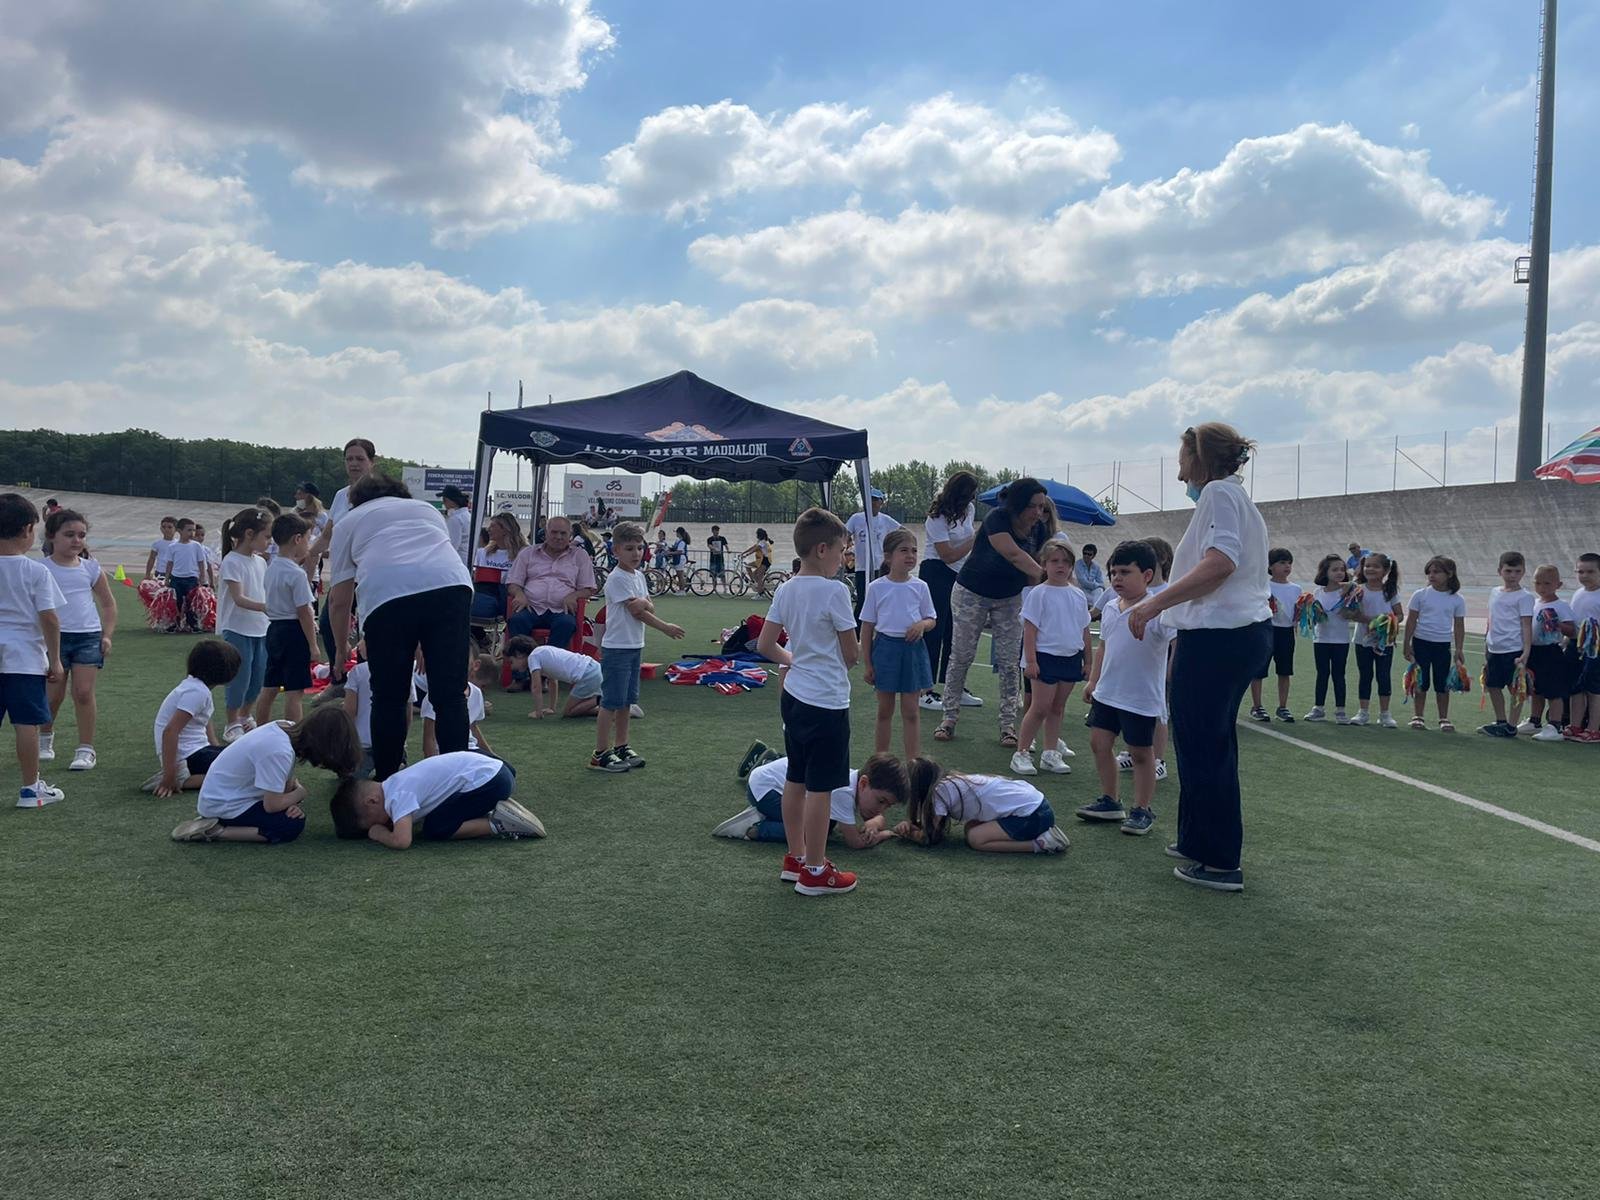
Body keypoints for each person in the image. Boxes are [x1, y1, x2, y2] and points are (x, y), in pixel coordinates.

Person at [1123, 423, 1270, 893]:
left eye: (1183, 458)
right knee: (1200, 741)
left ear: (1201, 457)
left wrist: (1154, 604)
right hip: (1232, 635)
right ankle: (1197, 840)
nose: (1180, 469)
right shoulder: (1233, 498)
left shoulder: (1219, 495)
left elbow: (1220, 563)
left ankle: (1221, 861)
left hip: (1220, 638)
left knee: (1205, 745)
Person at [326, 473, 473, 781]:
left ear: (356, 501)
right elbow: (426, 570)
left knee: (388, 697)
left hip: (387, 596)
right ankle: (458, 782)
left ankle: (388, 781)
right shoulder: (427, 510)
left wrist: (339, 650)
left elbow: (339, 600)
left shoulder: (349, 522)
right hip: (452, 587)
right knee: (450, 695)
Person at [755, 508, 859, 895]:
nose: (843, 559)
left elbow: (766, 645)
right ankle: (815, 870)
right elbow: (851, 654)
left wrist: (794, 660)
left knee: (795, 778)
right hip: (826, 701)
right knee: (821, 788)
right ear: (822, 549)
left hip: (794, 696)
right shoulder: (835, 592)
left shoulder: (785, 589)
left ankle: (796, 858)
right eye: (841, 551)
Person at [936, 477, 1050, 747]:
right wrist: (1050, 579)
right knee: (962, 655)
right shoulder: (997, 518)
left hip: (1009, 597)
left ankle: (1008, 726)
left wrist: (1048, 593)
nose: (1038, 513)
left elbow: (1038, 567)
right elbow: (1013, 554)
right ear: (1019, 504)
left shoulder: (1040, 530)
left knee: (1010, 662)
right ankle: (949, 718)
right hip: (971, 592)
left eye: (1042, 507)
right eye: (1033, 506)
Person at [1076, 540, 1176, 836]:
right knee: (1099, 743)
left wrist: (1172, 675)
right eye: (1113, 573)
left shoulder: (1158, 610)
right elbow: (1104, 646)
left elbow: (1176, 642)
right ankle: (1111, 800)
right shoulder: (1109, 607)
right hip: (1108, 693)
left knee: (1142, 754)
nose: (1117, 578)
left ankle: (1142, 809)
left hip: (1140, 696)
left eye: (1125, 572)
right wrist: (1093, 681)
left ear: (1147, 575)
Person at [169, 706, 361, 844]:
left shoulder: (286, 729)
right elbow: (272, 805)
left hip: (225, 795)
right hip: (224, 803)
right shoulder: (280, 751)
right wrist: (299, 794)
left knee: (289, 815)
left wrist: (290, 802)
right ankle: (217, 831)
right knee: (290, 826)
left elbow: (285, 783)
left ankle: (217, 824)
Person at [589, 522, 684, 773]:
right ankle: (600, 753)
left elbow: (647, 604)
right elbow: (637, 611)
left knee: (627, 701)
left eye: (639, 548)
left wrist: (644, 603)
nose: (636, 553)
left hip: (633, 645)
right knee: (610, 701)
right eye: (629, 548)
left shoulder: (639, 576)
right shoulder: (617, 578)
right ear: (616, 551)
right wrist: (664, 627)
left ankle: (621, 745)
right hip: (617, 647)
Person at [0, 494, 68, 807]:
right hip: (24, 659)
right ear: (28, 529)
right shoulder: (36, 571)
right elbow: (50, 618)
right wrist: (55, 660)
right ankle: (30, 789)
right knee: (26, 723)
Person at [39, 509, 117, 772]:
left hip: (88, 637)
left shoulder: (91, 568)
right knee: (53, 695)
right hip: (53, 639)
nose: (76, 540)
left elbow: (108, 604)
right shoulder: (41, 568)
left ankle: (86, 749)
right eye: (69, 534)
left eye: (81, 535)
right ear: (52, 536)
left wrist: (107, 635)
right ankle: (45, 738)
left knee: (83, 693)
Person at [330, 753, 544, 847]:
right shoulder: (396, 782)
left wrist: (379, 834)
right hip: (496, 773)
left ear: (372, 801)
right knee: (440, 815)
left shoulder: (396, 796)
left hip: (490, 782)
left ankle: (499, 823)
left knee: (435, 828)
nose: (386, 823)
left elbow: (402, 841)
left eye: (375, 822)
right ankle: (496, 810)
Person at [711, 751, 906, 853]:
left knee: (825, 824)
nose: (881, 810)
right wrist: (885, 834)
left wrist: (873, 823)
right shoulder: (844, 792)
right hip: (765, 791)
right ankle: (755, 828)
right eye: (881, 801)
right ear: (863, 784)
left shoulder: (855, 784)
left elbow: (877, 818)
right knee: (812, 832)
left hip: (772, 782)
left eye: (887, 805)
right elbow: (854, 842)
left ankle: (770, 761)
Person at [1012, 539, 1090, 777]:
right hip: (1044, 657)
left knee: (1058, 708)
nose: (1060, 566)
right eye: (1055, 561)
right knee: (1039, 708)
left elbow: (1085, 629)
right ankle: (1021, 753)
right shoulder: (1039, 593)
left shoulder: (1078, 595)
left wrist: (1088, 661)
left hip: (1070, 657)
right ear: (1044, 564)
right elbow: (1030, 629)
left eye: (1066, 562)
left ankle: (1050, 753)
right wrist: (1031, 660)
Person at [860, 529, 936, 761]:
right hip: (885, 651)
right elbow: (867, 627)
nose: (910, 555)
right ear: (888, 556)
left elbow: (931, 619)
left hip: (912, 651)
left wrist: (921, 625)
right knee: (885, 710)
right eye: (904, 550)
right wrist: (868, 664)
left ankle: (913, 763)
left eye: (914, 550)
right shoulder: (876, 587)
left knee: (911, 711)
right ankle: (881, 761)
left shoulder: (921, 586)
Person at [895, 758, 1070, 854]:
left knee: (976, 838)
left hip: (1033, 815)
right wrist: (911, 824)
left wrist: (908, 833)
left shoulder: (939, 793)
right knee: (971, 827)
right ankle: (1040, 835)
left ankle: (1041, 843)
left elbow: (930, 837)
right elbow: (932, 824)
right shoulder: (949, 782)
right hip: (1037, 807)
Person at [310, 438, 377, 672]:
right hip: (344, 573)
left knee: (370, 629)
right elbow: (327, 535)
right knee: (328, 623)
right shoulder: (341, 496)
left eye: (360, 459)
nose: (354, 464)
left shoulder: (381, 495)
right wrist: (308, 555)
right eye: (349, 459)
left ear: (372, 462)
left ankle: (365, 679)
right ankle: (339, 677)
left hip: (371, 573)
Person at [144, 638, 242, 796]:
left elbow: (205, 721)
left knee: (239, 756)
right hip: (188, 757)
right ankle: (181, 779)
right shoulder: (197, 692)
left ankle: (185, 775)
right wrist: (169, 775)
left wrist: (216, 748)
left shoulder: (197, 688)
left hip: (195, 752)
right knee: (242, 769)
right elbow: (170, 731)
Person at [918, 471, 978, 711]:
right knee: (934, 630)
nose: (972, 498)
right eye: (970, 493)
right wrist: (975, 539)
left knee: (956, 632)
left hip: (959, 575)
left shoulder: (969, 510)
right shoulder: (936, 517)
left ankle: (954, 687)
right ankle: (924, 690)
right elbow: (947, 555)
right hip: (936, 572)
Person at [256, 514, 321, 727]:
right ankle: (294, 736)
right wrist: (313, 645)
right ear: (297, 539)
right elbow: (304, 612)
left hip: (274, 629)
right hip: (293, 631)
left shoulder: (272, 568)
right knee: (294, 691)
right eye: (308, 539)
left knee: (270, 686)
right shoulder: (296, 574)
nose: (309, 544)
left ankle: (260, 731)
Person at [217, 507, 273, 741]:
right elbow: (239, 598)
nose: (270, 541)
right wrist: (266, 607)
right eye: (267, 536)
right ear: (249, 534)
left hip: (261, 628)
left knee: (258, 676)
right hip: (237, 628)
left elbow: (264, 591)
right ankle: (232, 723)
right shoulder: (232, 561)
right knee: (240, 677)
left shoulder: (260, 562)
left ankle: (245, 716)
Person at [504, 515, 595, 651]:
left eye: (563, 533)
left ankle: (550, 662)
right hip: (531, 606)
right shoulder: (528, 553)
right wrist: (519, 594)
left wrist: (574, 596)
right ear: (545, 533)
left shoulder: (580, 556)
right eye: (554, 532)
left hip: (561, 609)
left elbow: (588, 588)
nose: (558, 537)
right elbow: (513, 582)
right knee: (517, 621)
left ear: (570, 535)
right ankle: (522, 663)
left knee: (566, 624)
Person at [1403, 556, 1467, 732]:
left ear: (1450, 574)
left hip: (1442, 645)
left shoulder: (1457, 599)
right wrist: (1407, 643)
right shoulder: (1420, 595)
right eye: (1429, 572)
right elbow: (1411, 621)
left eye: (1437, 572)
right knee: (1421, 681)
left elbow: (1459, 625)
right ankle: (1418, 716)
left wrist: (1459, 649)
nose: (1432, 575)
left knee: (1442, 683)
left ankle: (1443, 718)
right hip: (1421, 643)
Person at [1480, 551, 1535, 738]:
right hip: (1494, 647)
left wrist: (1526, 651)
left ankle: (1512, 725)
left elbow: (1526, 624)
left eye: (1517, 571)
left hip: (1513, 649)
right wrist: (1487, 642)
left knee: (1515, 688)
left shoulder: (1524, 597)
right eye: (1508, 571)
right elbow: (1491, 619)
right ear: (1500, 571)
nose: (1513, 575)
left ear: (1523, 572)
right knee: (1492, 685)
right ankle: (1501, 721)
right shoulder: (1495, 592)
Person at [341, 644, 415, 779]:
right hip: (393, 743)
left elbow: (349, 711)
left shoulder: (358, 671)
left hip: (363, 744)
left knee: (352, 780)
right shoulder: (405, 671)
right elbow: (407, 713)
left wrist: (347, 742)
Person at [1350, 552, 1403, 729]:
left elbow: (1400, 614)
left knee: (1383, 675)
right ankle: (1363, 712)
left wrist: (1388, 622)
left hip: (1384, 642)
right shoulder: (1358, 590)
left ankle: (1385, 714)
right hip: (1362, 641)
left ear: (1386, 570)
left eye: (1375, 566)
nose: (1370, 569)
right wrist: (1370, 621)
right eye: (1367, 566)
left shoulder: (1390, 591)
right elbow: (1352, 613)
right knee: (1365, 675)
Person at [1249, 548, 1301, 724]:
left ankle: (1282, 706)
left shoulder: (1296, 589)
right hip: (1266, 630)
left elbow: (1297, 612)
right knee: (1259, 670)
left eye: (1289, 563)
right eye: (1282, 563)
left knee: (1285, 671)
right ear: (1270, 566)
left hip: (1286, 632)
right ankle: (1257, 706)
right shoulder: (1264, 586)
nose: (1287, 566)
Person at [1525, 564, 1576, 741]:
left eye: (1547, 583)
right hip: (1534, 650)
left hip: (1551, 651)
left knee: (1553, 689)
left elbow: (1571, 630)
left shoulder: (1561, 605)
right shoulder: (1534, 603)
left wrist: (1556, 624)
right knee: (1535, 688)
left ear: (1558, 585)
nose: (1542, 587)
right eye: (1538, 583)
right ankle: (1534, 721)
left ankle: (1555, 725)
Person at [1304, 554, 1354, 723]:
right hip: (1321, 639)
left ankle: (1341, 711)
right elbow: (1313, 616)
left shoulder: (1348, 591)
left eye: (1342, 569)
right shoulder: (1317, 592)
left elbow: (1353, 610)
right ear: (1325, 572)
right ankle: (1318, 708)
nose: (1339, 573)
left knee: (1339, 675)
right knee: (1322, 674)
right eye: (1334, 570)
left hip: (1341, 641)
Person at [504, 634, 603, 719]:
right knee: (576, 708)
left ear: (519, 654)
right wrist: (551, 708)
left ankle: (601, 700)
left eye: (511, 662)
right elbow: (553, 682)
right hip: (594, 668)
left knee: (568, 712)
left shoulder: (533, 658)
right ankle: (604, 707)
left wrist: (538, 712)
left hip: (587, 675)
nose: (512, 667)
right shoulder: (542, 652)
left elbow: (536, 687)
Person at [845, 489, 903, 623]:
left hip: (881, 566)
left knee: (882, 599)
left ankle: (881, 626)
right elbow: (844, 533)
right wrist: (845, 547)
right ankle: (857, 630)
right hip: (862, 567)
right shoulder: (856, 518)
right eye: (870, 500)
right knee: (863, 600)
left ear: (881, 503)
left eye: (876, 500)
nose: (872, 503)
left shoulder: (885, 520)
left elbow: (902, 532)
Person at [421, 655, 496, 758]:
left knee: (504, 767)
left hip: (471, 750)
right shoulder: (436, 694)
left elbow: (473, 727)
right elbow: (429, 738)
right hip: (446, 754)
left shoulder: (476, 692)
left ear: (476, 665)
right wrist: (435, 764)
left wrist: (492, 755)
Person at [1565, 553, 1600, 742]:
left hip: (1595, 649)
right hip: (1575, 646)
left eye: (1590, 572)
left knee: (1593, 689)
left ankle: (1593, 728)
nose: (1584, 575)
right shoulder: (1578, 593)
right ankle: (1575, 725)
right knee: (1575, 686)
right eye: (1580, 572)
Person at [471, 511, 527, 625]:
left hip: (507, 596)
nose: (488, 529)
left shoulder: (524, 553)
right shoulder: (483, 553)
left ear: (505, 530)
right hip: (483, 593)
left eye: (493, 526)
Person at [164, 519, 209, 632]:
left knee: (191, 602)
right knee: (176, 602)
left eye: (193, 530)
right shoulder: (172, 547)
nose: (192, 533)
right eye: (189, 530)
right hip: (176, 578)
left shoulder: (196, 546)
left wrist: (202, 577)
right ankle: (175, 623)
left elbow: (201, 562)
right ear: (179, 531)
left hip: (191, 578)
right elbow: (170, 563)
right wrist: (167, 578)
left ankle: (192, 624)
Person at [439, 485, 473, 571]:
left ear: (451, 501)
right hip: (467, 559)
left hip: (458, 561)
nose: (444, 503)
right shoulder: (468, 516)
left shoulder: (455, 519)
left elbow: (452, 545)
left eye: (444, 500)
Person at [1074, 544, 1107, 612]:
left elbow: (1100, 582)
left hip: (1092, 593)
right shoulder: (1078, 564)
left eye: (1089, 554)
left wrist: (1099, 586)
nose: (1086, 556)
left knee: (1099, 590)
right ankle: (1096, 611)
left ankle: (1095, 611)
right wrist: (1098, 585)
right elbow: (1083, 582)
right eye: (1084, 553)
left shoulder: (1096, 567)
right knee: (1099, 591)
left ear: (1093, 556)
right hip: (1081, 592)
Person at [143, 516, 177, 581]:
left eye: (170, 527)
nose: (166, 529)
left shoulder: (178, 544)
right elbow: (152, 558)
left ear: (176, 529)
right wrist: (147, 573)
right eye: (163, 527)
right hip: (160, 572)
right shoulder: (157, 544)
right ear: (160, 528)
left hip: (175, 573)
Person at [742, 528, 773, 593]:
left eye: (757, 534)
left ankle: (760, 593)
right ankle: (755, 584)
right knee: (750, 569)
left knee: (759, 577)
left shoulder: (763, 542)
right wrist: (743, 553)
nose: (756, 536)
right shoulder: (760, 541)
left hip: (765, 561)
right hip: (760, 561)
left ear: (759, 535)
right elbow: (753, 547)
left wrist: (747, 554)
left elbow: (756, 549)